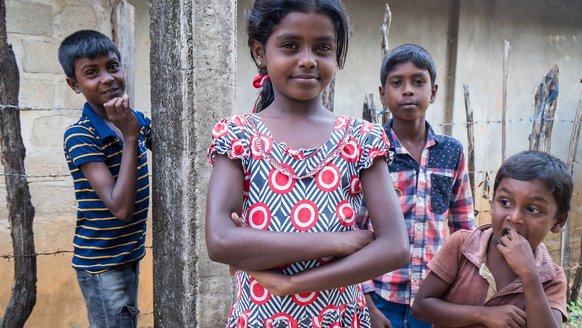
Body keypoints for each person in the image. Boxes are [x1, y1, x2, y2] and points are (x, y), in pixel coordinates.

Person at [205, 0, 410, 326]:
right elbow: (221, 241)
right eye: (290, 45)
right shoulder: (239, 136)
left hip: (340, 318)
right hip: (262, 318)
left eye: (322, 47)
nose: (307, 60)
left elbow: (395, 246)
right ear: (260, 52)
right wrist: (337, 241)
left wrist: (292, 282)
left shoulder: (362, 139)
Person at [360, 44, 476, 328]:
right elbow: (356, 231)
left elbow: (464, 230)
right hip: (381, 295)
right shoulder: (370, 151)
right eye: (397, 83)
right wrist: (368, 305)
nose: (408, 90)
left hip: (434, 298)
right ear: (383, 95)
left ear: (433, 91)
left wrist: (459, 291)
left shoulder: (451, 152)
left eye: (418, 82)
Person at [412, 151, 571, 328]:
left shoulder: (551, 278)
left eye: (532, 209)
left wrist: (530, 276)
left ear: (558, 221)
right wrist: (482, 315)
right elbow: (421, 306)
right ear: (492, 204)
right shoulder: (463, 246)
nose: (515, 217)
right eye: (505, 202)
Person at [60, 30, 151, 328]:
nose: (107, 78)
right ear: (75, 85)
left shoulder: (133, 121)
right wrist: (130, 137)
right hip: (102, 264)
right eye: (91, 73)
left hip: (129, 253)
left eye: (113, 66)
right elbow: (120, 208)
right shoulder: (80, 135)